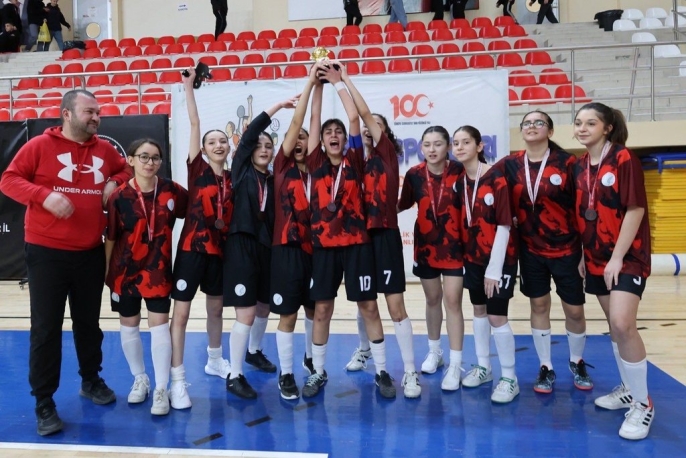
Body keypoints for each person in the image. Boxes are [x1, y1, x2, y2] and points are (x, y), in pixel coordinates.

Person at [0, 89, 129, 436]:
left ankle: (91, 379)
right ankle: (44, 401)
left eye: (98, 112)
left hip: (90, 252)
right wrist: (43, 195)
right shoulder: (39, 146)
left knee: (88, 324)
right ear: (67, 114)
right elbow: (8, 180)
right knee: (46, 328)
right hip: (47, 254)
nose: (96, 117)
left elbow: (126, 170)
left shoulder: (105, 150)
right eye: (89, 112)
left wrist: (115, 181)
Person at [301, 62, 396, 399]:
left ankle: (382, 370)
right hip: (324, 247)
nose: (333, 135)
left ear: (345, 139)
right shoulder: (314, 162)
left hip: (357, 244)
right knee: (322, 310)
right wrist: (316, 84)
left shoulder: (355, 160)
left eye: (338, 132)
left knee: (368, 306)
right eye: (328, 132)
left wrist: (339, 81)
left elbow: (355, 117)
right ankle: (318, 371)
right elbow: (314, 119)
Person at [572, 103, 653, 440]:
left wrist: (618, 257)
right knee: (614, 328)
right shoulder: (579, 165)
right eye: (578, 122)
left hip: (627, 256)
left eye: (591, 123)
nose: (582, 128)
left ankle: (643, 404)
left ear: (606, 128)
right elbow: (582, 212)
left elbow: (635, 209)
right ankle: (628, 390)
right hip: (594, 257)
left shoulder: (623, 158)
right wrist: (582, 254)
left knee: (622, 324)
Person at [497, 110, 591, 395]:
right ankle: (546, 366)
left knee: (574, 310)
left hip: (567, 249)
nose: (532, 126)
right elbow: (484, 181)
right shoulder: (510, 164)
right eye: (527, 123)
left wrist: (584, 251)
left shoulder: (568, 163)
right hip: (530, 251)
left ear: (549, 131)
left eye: (539, 122)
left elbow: (582, 208)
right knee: (538, 306)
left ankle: (577, 361)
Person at [341, 72, 421, 399]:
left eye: (375, 124)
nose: (368, 126)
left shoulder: (386, 154)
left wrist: (344, 78)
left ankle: (411, 371)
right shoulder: (352, 159)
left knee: (395, 305)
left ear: (384, 133)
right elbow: (355, 120)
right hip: (357, 241)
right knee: (367, 305)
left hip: (385, 236)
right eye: (365, 125)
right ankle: (379, 367)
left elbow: (362, 113)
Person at [106, 139, 188, 416]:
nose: (150, 162)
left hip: (158, 271)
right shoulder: (118, 197)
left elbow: (193, 214)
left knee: (159, 326)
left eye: (155, 158)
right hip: (125, 272)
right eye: (144, 157)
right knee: (129, 325)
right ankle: (140, 378)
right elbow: (111, 238)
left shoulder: (172, 190)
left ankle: (162, 388)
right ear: (130, 160)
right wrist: (107, 272)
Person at [224, 95, 298, 399]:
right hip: (241, 245)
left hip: (268, 248)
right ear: (249, 150)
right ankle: (234, 374)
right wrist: (278, 107)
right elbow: (250, 133)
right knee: (246, 313)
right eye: (259, 146)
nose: (264, 149)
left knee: (265, 305)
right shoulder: (241, 170)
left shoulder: (274, 179)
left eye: (269, 146)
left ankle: (254, 351)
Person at [169, 68, 233, 410]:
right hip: (191, 250)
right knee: (180, 314)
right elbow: (194, 123)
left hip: (219, 253)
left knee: (216, 309)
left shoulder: (235, 179)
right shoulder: (198, 170)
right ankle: (177, 378)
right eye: (212, 142)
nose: (218, 145)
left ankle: (215, 359)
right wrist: (188, 87)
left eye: (222, 141)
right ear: (204, 150)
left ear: (229, 145)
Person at [453, 126, 519, 403]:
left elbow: (504, 225)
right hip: (473, 258)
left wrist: (494, 269)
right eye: (456, 143)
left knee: (496, 316)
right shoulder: (459, 181)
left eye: (466, 142)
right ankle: (484, 367)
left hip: (500, 260)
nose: (459, 147)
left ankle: (510, 378)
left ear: (479, 146)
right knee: (479, 310)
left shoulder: (496, 177)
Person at [398, 126, 465, 391]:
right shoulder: (414, 174)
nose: (432, 149)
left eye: (438, 144)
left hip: (455, 247)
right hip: (425, 247)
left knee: (453, 301)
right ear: (421, 147)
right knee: (432, 299)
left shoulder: (460, 170)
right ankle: (435, 351)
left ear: (447, 146)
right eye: (427, 144)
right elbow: (402, 203)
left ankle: (456, 364)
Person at [271, 67, 318, 400]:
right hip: (287, 249)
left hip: (317, 250)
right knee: (288, 314)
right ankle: (286, 373)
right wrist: (310, 82)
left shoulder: (319, 169)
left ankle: (311, 359)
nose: (299, 140)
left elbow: (313, 123)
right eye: (295, 137)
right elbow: (299, 121)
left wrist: (321, 89)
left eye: (304, 138)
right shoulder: (281, 167)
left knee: (315, 310)